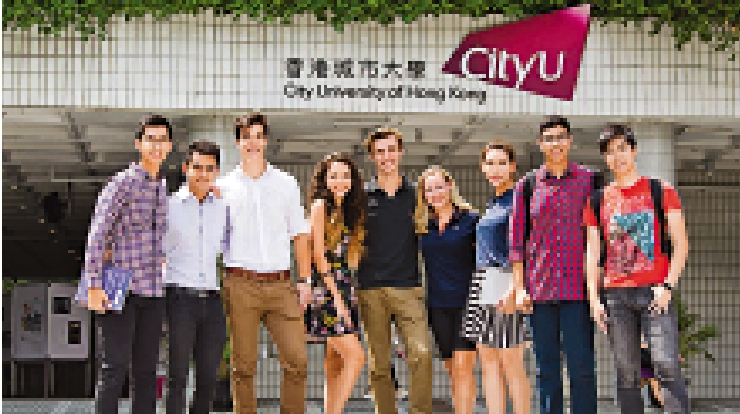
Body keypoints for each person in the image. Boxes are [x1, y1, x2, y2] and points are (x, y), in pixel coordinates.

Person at [585, 124, 690, 414]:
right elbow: (593, 253)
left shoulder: (661, 190)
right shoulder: (597, 200)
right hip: (615, 296)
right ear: (605, 158)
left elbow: (681, 244)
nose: (617, 156)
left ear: (634, 150)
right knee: (627, 373)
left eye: (622, 148)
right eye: (610, 151)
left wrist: (668, 286)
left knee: (667, 366)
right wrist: (594, 299)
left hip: (655, 293)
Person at [214, 113, 313, 414]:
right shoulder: (223, 187)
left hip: (281, 285)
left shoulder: (286, 184)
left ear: (266, 141)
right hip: (240, 283)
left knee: (297, 360)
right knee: (243, 366)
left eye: (258, 136)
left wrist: (305, 281)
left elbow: (300, 235)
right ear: (238, 142)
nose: (253, 142)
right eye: (247, 136)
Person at [77, 114, 173, 414]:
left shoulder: (162, 188)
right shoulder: (121, 183)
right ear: (138, 144)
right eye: (150, 139)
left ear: (169, 146)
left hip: (153, 293)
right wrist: (93, 285)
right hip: (120, 291)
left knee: (146, 373)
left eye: (162, 140)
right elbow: (97, 234)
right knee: (114, 368)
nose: (156, 146)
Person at [509, 116, 601, 414]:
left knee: (582, 367)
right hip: (540, 291)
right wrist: (520, 288)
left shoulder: (591, 180)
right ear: (540, 143)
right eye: (549, 138)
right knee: (546, 369)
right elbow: (516, 242)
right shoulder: (527, 185)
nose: (555, 143)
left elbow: (601, 234)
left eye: (560, 137)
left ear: (570, 140)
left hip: (578, 291)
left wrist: (597, 287)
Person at [356, 127, 433, 414]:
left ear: (400, 152)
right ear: (372, 157)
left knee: (421, 355)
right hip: (371, 290)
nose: (386, 156)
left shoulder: (417, 195)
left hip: (408, 288)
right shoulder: (361, 196)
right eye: (380, 151)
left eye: (391, 150)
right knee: (379, 365)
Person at [463, 141, 531, 414]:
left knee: (511, 362)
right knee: (488, 361)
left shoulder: (519, 200)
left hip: (507, 281)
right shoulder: (493, 202)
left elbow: (527, 248)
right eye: (490, 163)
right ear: (482, 168)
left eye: (502, 163)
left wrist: (516, 288)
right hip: (483, 281)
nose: (496, 169)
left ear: (513, 167)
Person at [163, 140, 231, 414]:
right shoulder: (169, 206)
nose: (203, 174)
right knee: (177, 377)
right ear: (186, 168)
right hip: (179, 298)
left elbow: (228, 247)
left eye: (209, 168)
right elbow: (157, 251)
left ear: (217, 171)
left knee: (208, 378)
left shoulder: (223, 207)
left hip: (213, 301)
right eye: (197, 167)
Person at [304, 152, 367, 414]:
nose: (340, 181)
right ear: (325, 179)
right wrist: (338, 300)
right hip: (326, 288)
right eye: (334, 176)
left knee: (335, 362)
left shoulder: (347, 211)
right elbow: (319, 256)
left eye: (345, 176)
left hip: (343, 285)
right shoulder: (320, 206)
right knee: (356, 357)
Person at [415, 166, 479, 414]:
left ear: (450, 186)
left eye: (439, 187)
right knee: (453, 370)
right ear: (424, 195)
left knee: (463, 367)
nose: (436, 193)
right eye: (429, 190)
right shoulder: (423, 226)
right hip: (438, 307)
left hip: (468, 304)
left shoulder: (470, 220)